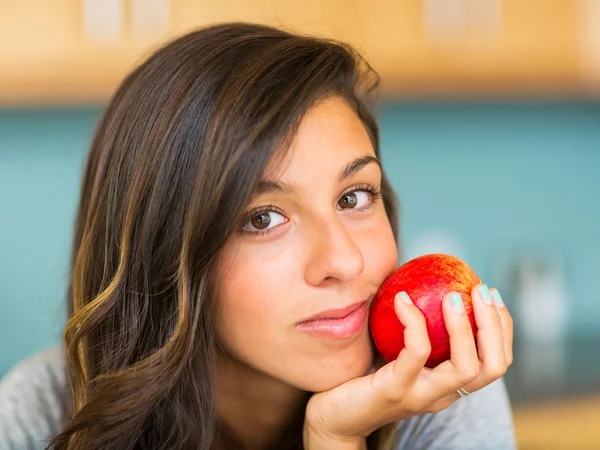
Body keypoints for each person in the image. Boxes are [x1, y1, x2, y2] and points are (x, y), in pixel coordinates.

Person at [0, 22, 515, 450]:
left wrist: (335, 438)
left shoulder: (437, 397)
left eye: (354, 197)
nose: (345, 260)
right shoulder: (40, 416)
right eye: (263, 218)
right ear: (163, 253)